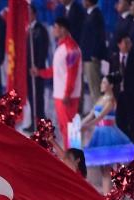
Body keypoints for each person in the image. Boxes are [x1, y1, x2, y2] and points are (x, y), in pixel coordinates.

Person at [81, 74, 134, 193]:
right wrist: (80, 124)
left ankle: (108, 197)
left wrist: (87, 126)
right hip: (99, 134)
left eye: (104, 83)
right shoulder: (101, 99)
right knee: (103, 168)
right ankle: (109, 195)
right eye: (101, 83)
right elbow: (91, 114)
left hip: (108, 134)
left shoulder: (111, 101)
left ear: (110, 86)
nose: (101, 85)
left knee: (106, 169)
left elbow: (100, 116)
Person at [34, 17, 83, 147]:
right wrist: (40, 73)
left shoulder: (71, 48)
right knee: (64, 127)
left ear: (63, 29)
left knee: (70, 128)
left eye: (55, 27)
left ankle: (74, 157)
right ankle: (69, 155)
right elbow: (56, 70)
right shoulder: (61, 47)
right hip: (60, 94)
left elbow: (72, 73)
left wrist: (68, 93)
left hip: (67, 96)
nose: (53, 30)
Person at [111, 34, 134, 143]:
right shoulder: (114, 58)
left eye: (129, 42)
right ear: (119, 44)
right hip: (119, 94)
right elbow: (111, 78)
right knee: (120, 121)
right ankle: (126, 139)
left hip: (132, 94)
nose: (128, 45)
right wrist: (112, 94)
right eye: (125, 42)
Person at [81, 0, 109, 114]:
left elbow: (98, 37)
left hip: (92, 57)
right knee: (92, 86)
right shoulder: (90, 14)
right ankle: (95, 110)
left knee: (95, 86)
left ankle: (99, 112)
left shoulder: (96, 15)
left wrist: (93, 54)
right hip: (87, 55)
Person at [27, 5, 51, 127]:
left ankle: (40, 121)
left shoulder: (40, 30)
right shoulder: (28, 29)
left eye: (30, 13)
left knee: (38, 96)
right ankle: (33, 121)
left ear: (35, 14)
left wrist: (38, 67)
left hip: (37, 69)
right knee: (31, 97)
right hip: (28, 69)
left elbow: (42, 50)